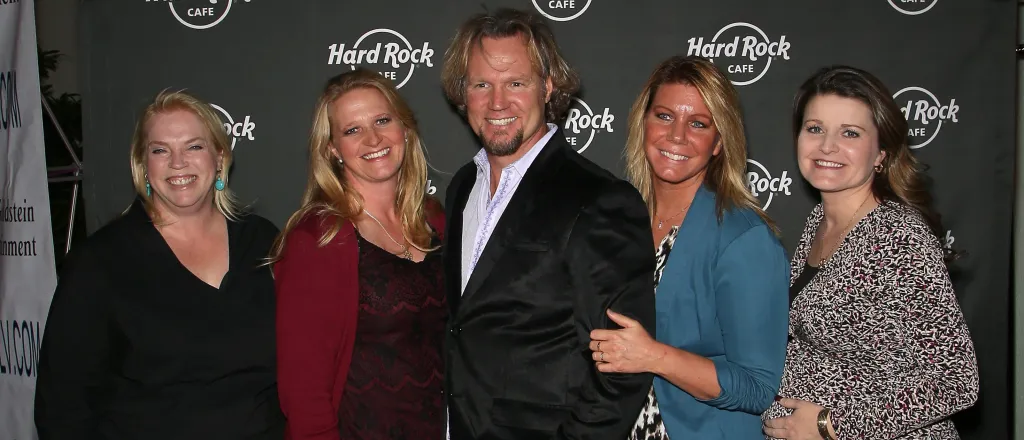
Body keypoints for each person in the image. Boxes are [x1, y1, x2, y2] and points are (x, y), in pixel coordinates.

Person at [438, 8, 656, 440]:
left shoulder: (599, 199)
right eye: (482, 84)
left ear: (548, 86)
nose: (497, 102)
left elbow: (621, 370)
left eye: (515, 83)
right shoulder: (463, 185)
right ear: (464, 93)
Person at [34, 90, 285, 439]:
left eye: (194, 146)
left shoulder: (261, 241)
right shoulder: (100, 262)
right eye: (160, 150)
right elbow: (62, 407)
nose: (177, 162)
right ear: (142, 165)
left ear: (219, 157)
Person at [761, 66, 979, 440]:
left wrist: (831, 426)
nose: (827, 146)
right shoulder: (820, 221)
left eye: (850, 133)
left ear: (881, 153)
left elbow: (956, 380)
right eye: (815, 128)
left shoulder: (897, 234)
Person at [586, 55, 790, 440]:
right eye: (664, 116)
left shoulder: (744, 238)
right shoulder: (618, 218)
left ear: (718, 142)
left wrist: (653, 356)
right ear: (643, 122)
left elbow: (757, 387)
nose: (677, 135)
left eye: (698, 123)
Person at [271, 69, 446, 440]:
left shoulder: (434, 218)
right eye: (352, 130)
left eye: (382, 120)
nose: (373, 138)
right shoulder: (317, 240)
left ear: (405, 128)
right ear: (332, 149)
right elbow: (304, 392)